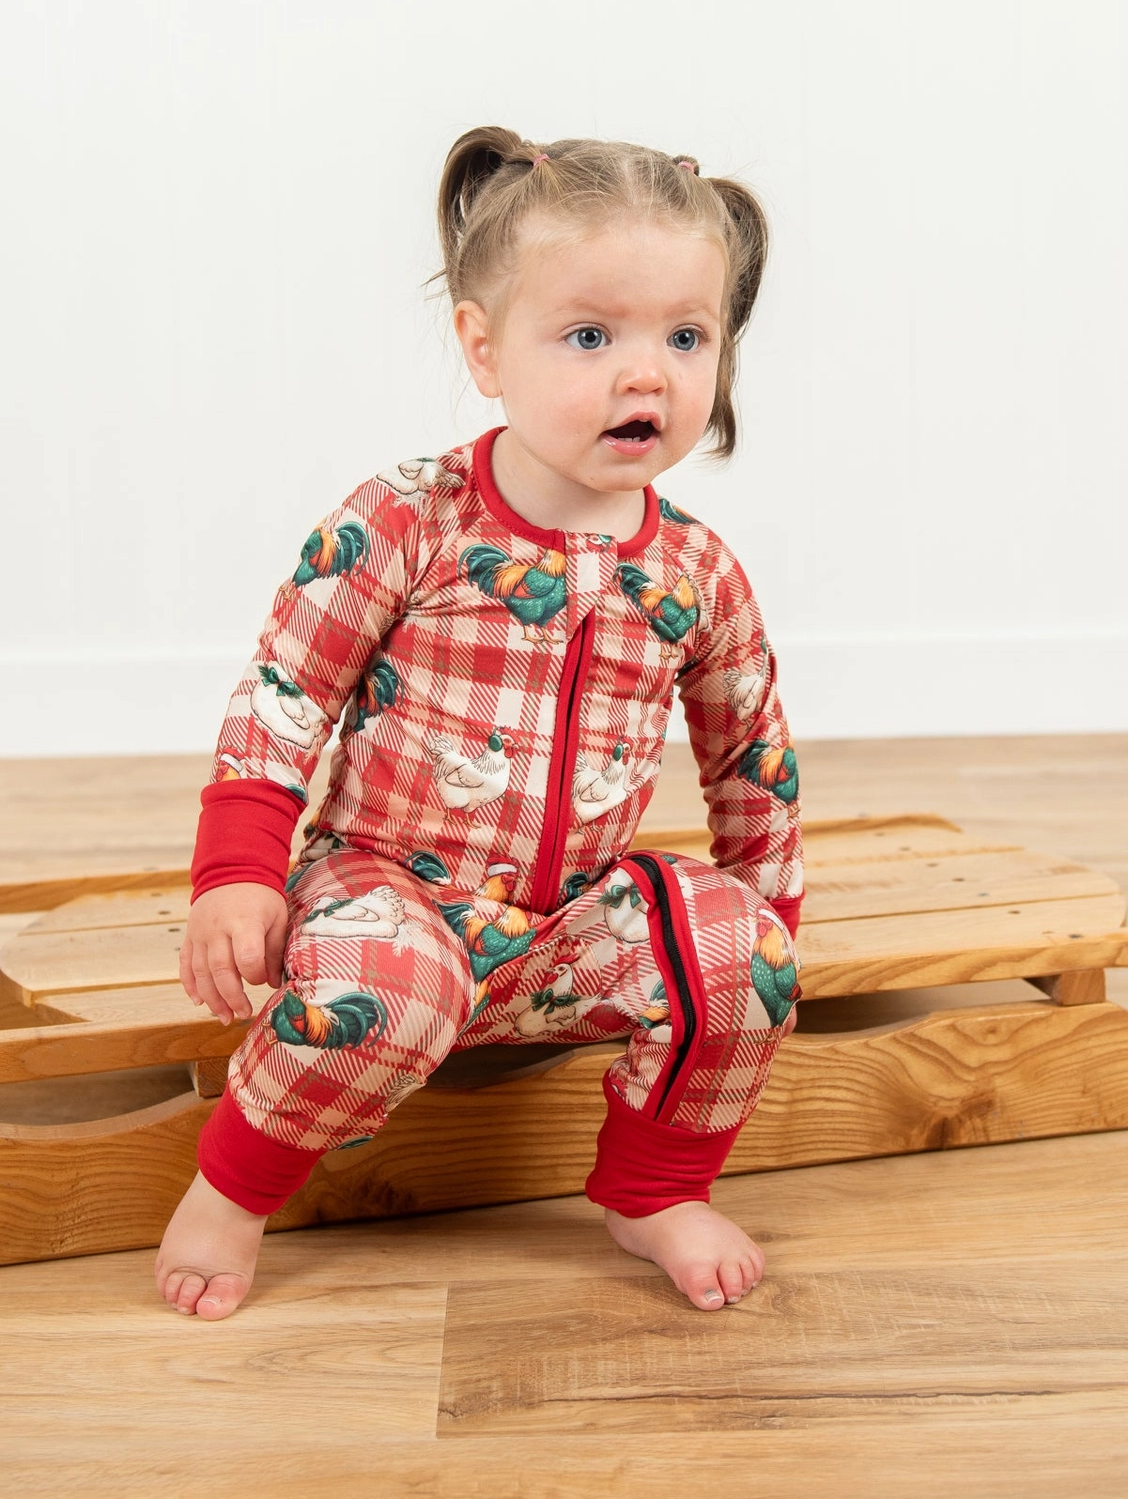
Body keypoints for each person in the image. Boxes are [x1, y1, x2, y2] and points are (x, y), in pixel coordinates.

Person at [155, 126, 804, 1321]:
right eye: (591, 336)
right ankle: (235, 1188)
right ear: (484, 346)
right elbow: (287, 689)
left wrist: (762, 940)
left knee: (744, 953)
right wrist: (237, 873)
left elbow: (751, 758)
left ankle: (655, 1188)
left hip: (572, 926)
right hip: (386, 894)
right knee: (389, 991)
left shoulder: (697, 570)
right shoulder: (411, 520)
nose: (647, 375)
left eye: (686, 336)